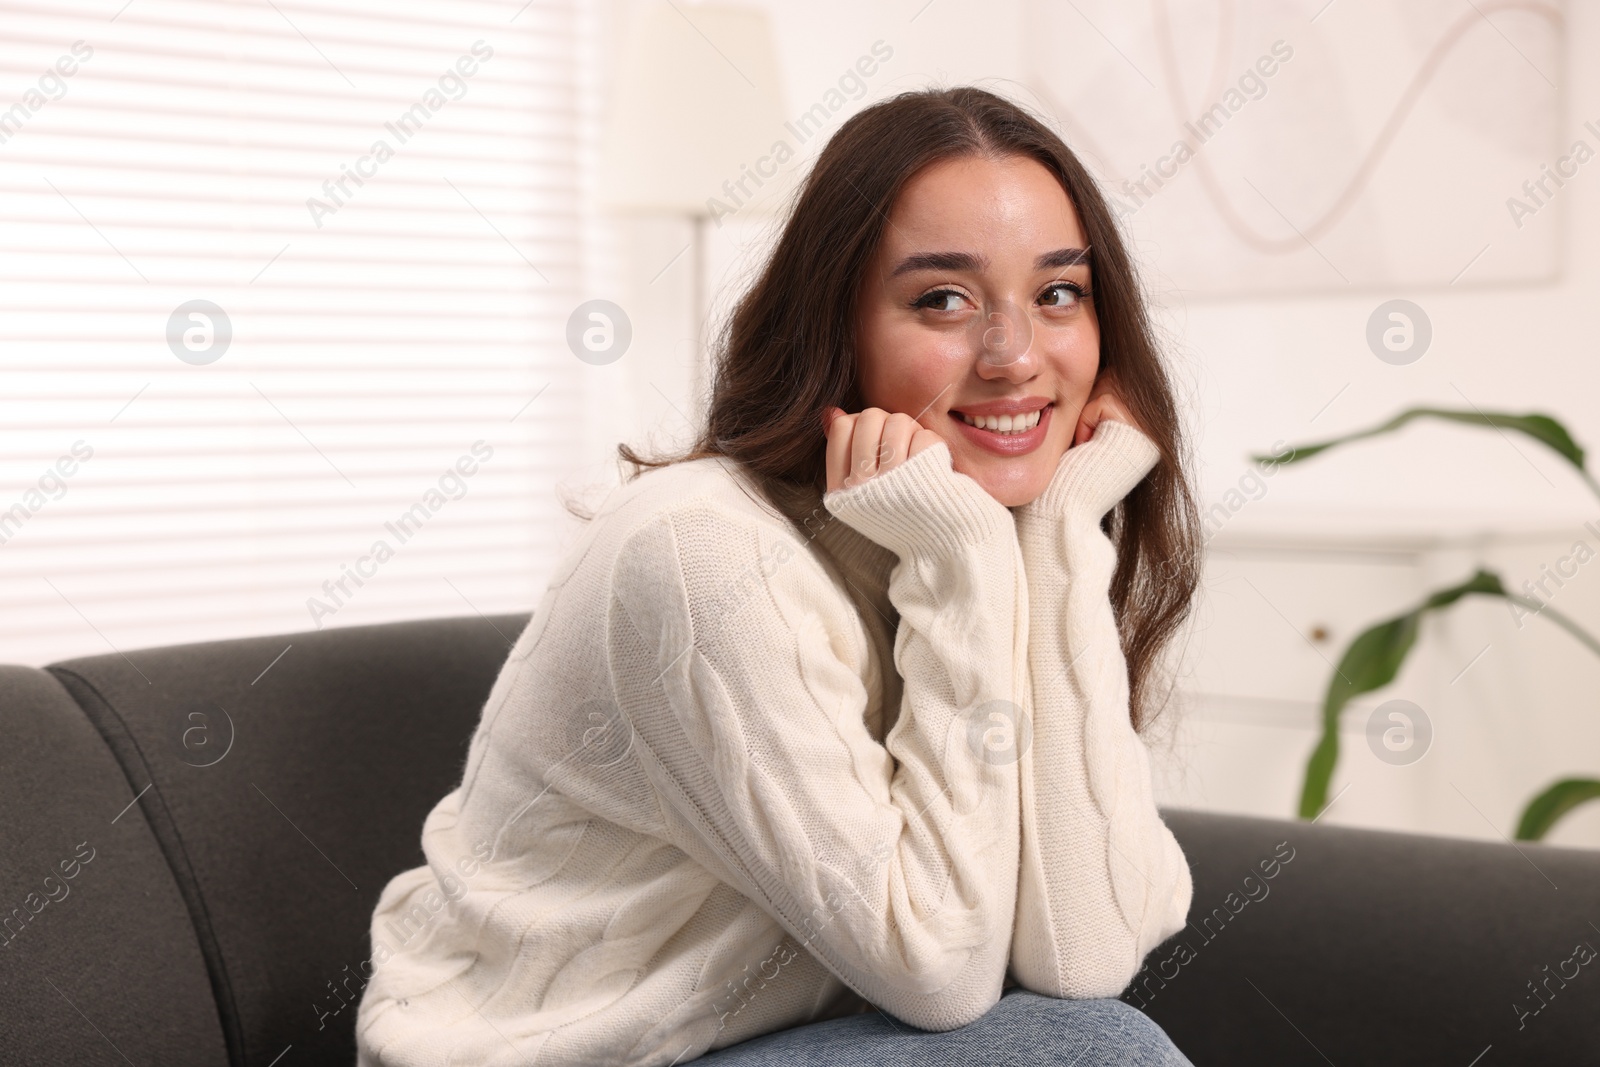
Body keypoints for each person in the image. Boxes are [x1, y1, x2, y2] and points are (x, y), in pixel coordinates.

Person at [355, 85, 1203, 1067]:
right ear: (834, 323)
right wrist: (966, 560)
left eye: (1058, 292)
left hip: (802, 1038)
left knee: (1092, 1033)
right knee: (1091, 1053)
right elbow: (942, 970)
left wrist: (1055, 538)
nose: (1015, 356)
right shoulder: (703, 553)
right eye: (942, 299)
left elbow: (1082, 952)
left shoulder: (986, 529)